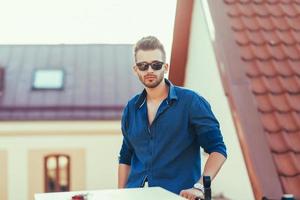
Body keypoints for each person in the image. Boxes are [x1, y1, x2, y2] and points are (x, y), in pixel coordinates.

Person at [118, 36, 227, 200]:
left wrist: (199, 187)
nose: (149, 70)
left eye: (156, 65)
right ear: (136, 70)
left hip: (178, 196)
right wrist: (120, 195)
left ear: (165, 67)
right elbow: (126, 157)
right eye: (143, 65)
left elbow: (218, 150)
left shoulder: (191, 102)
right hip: (136, 195)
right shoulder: (131, 108)